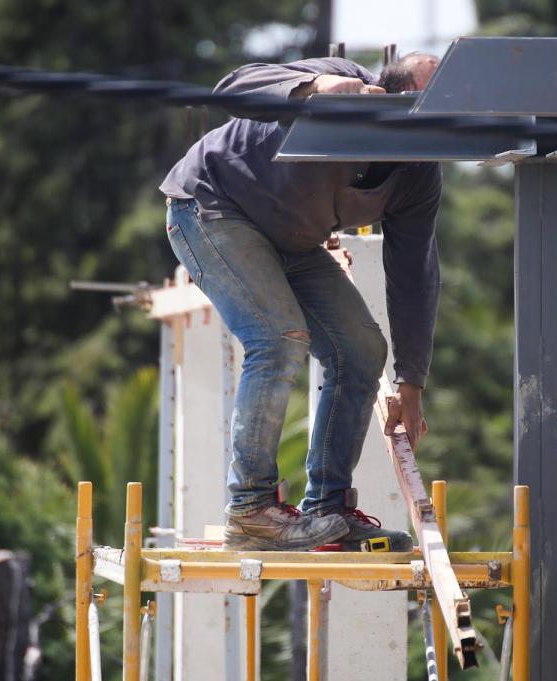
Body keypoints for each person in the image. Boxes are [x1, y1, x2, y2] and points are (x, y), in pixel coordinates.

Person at [160, 52, 442, 551]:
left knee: (359, 350)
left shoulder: (419, 174)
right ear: (392, 99)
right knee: (278, 339)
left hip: (291, 241)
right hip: (213, 209)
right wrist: (314, 87)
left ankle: (328, 513)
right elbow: (235, 83)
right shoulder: (343, 82)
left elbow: (414, 274)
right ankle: (251, 510)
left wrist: (411, 380)